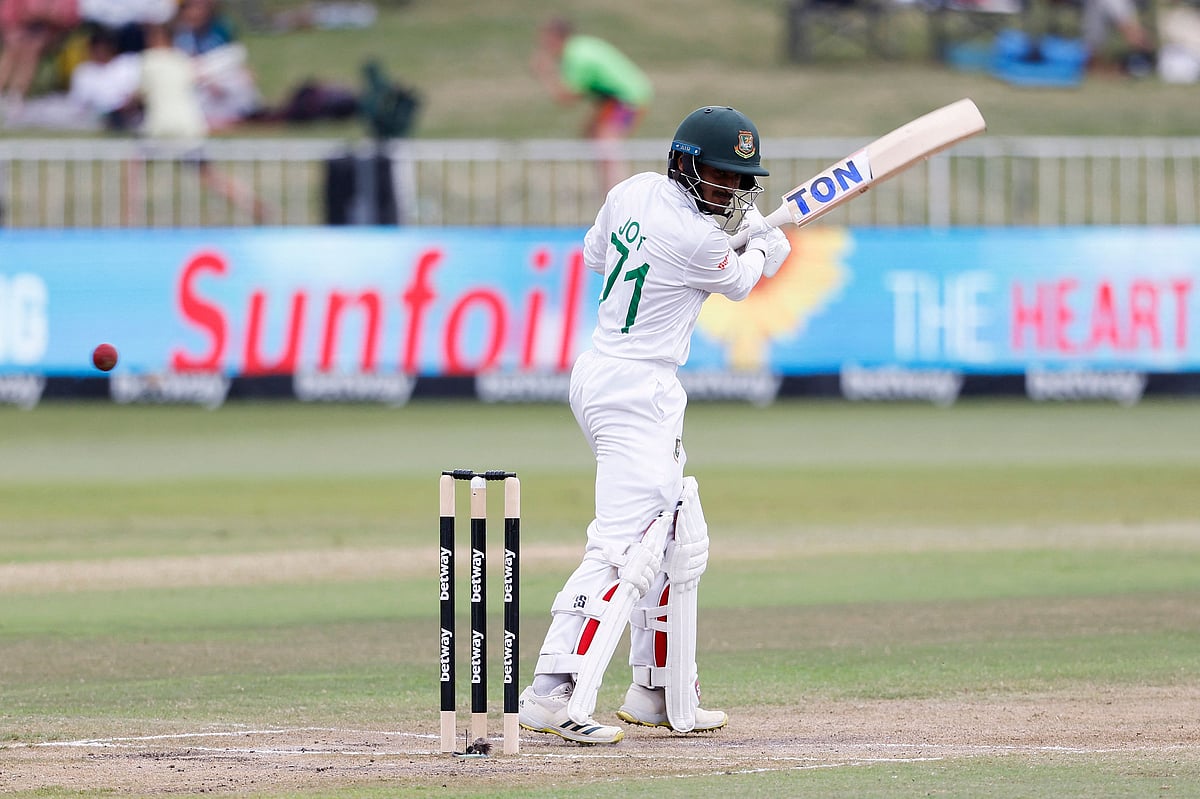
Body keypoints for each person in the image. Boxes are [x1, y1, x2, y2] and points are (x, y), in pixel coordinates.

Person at [516, 106, 791, 744]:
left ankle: (658, 692)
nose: (731, 191)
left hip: (603, 372)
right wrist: (765, 248)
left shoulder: (631, 191)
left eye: (739, 180)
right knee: (624, 547)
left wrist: (737, 237)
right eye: (719, 176)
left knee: (676, 537)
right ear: (684, 165)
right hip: (638, 389)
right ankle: (551, 693)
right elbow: (741, 283)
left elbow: (595, 255)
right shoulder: (700, 241)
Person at [531, 17, 652, 191]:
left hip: (627, 97)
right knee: (593, 136)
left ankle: (618, 190)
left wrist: (546, 73)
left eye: (545, 38)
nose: (542, 44)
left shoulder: (576, 56)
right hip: (617, 97)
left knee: (606, 143)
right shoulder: (579, 47)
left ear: (556, 37)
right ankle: (609, 188)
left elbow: (566, 97)